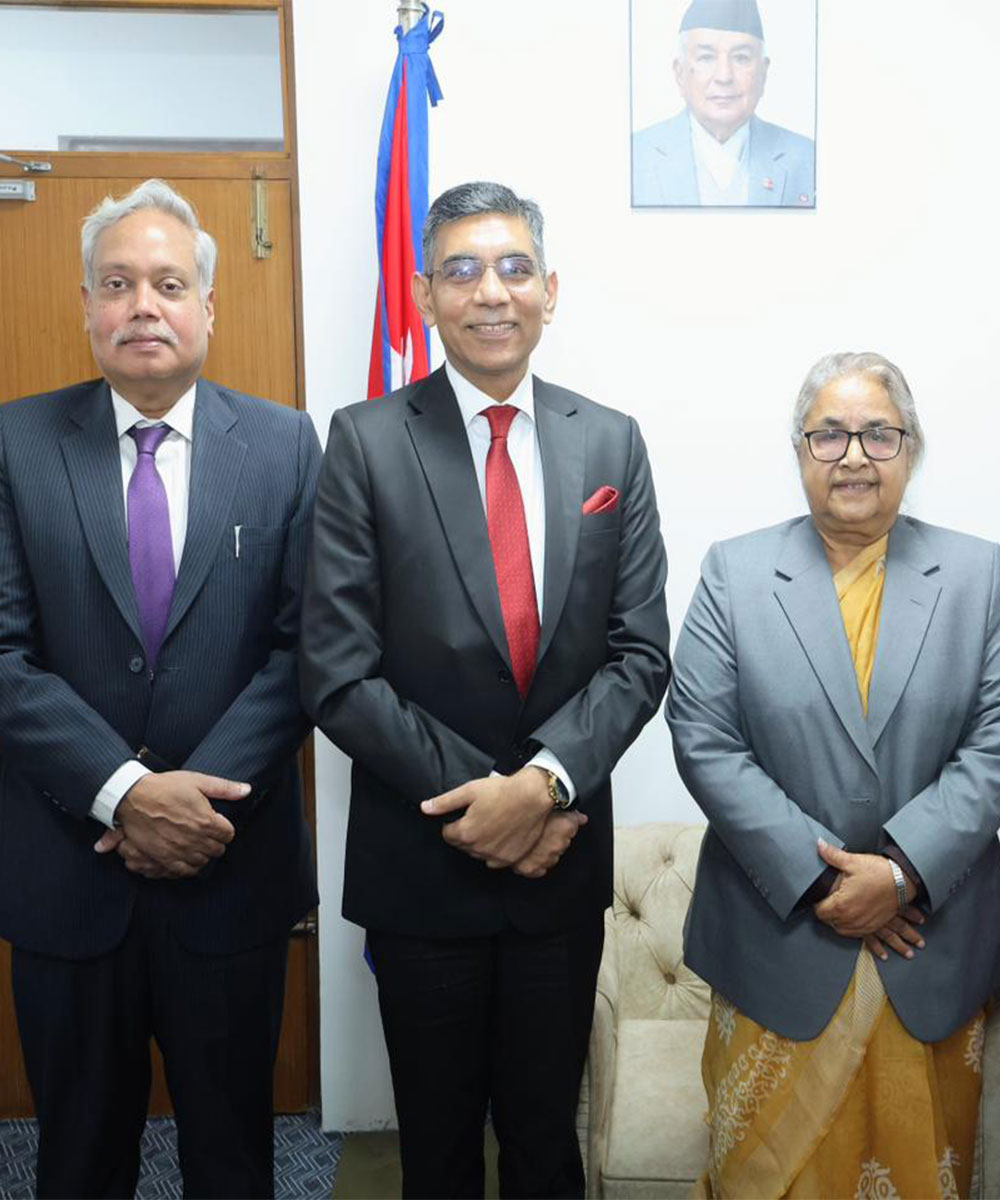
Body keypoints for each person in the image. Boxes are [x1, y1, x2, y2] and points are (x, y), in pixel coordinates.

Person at [0, 178, 320, 1197]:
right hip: (64, 867)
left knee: (235, 1153)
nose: (142, 305)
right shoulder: (19, 443)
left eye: (167, 282)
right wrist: (126, 792)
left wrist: (191, 801)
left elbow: (303, 652)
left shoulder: (286, 447)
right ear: (86, 306)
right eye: (118, 283)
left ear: (207, 306)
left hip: (227, 867)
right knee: (78, 1159)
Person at [300, 180, 670, 1198]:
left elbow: (641, 653)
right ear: (424, 295)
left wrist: (543, 788)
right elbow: (337, 669)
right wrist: (488, 803)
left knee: (550, 1143)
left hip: (559, 866)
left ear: (550, 290)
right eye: (461, 270)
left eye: (513, 269)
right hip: (423, 865)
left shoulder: (609, 442)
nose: (490, 292)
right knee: (437, 1149)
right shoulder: (365, 440)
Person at [666, 352, 1000, 1199]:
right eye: (829, 434)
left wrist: (903, 873)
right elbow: (703, 735)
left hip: (932, 945)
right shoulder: (735, 572)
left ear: (912, 450)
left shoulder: (975, 574)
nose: (855, 456)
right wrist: (824, 880)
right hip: (778, 934)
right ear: (800, 450)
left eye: (879, 433)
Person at [632, 0, 816, 207]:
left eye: (741, 58)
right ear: (680, 73)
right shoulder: (635, 156)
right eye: (706, 57)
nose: (724, 76)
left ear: (763, 74)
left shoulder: (809, 159)